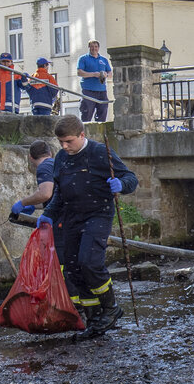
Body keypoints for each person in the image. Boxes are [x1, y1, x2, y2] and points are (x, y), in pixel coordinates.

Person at [38, 115, 138, 339]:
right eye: (61, 142)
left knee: (89, 262)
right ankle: (94, 318)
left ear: (82, 135)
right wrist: (48, 214)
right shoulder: (61, 158)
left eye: (69, 141)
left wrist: (121, 184)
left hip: (98, 214)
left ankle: (111, 308)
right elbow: (59, 192)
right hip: (72, 217)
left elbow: (130, 178)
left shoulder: (99, 152)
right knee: (73, 269)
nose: (64, 146)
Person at [11, 140, 56, 217]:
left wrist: (22, 203)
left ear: (30, 157)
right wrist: (33, 206)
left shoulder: (44, 167)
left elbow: (45, 194)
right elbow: (53, 197)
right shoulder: (55, 163)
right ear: (50, 153)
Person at [76, 40, 112, 122]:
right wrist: (93, 74)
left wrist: (106, 75)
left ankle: (101, 129)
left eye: (96, 47)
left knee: (103, 113)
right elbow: (79, 72)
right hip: (88, 91)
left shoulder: (104, 60)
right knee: (87, 115)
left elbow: (110, 73)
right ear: (89, 47)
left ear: (98, 48)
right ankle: (84, 129)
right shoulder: (83, 58)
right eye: (92, 46)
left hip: (102, 91)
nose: (94, 48)